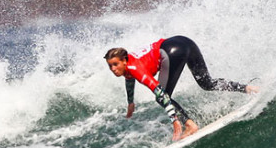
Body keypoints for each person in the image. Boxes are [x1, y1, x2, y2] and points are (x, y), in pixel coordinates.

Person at [104, 35, 258, 141]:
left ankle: (190, 124)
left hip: (171, 52)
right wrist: (130, 102)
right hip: (185, 42)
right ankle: (248, 88)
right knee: (207, 83)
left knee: (161, 97)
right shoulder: (128, 66)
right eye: (110, 66)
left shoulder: (136, 69)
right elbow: (129, 78)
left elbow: (160, 92)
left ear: (124, 61)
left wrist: (174, 120)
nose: (113, 69)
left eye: (115, 64)